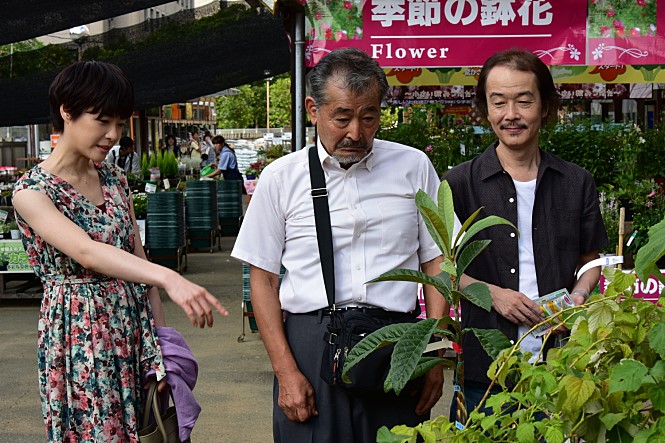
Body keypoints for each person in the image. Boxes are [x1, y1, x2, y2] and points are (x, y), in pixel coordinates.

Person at [231, 47, 446, 443]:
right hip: (311, 346)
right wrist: (286, 371)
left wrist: (433, 353)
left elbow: (436, 264)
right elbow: (262, 280)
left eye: (369, 117)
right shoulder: (281, 178)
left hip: (396, 344)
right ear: (313, 110)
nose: (356, 133)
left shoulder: (413, 167)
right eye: (342, 117)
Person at [12, 60, 228, 442]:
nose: (113, 135)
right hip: (79, 337)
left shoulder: (113, 179)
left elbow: (139, 264)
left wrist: (161, 345)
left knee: (148, 429)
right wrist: (170, 275)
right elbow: (88, 252)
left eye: (121, 123)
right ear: (67, 111)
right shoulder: (32, 192)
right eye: (102, 121)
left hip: (134, 331)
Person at [443, 48, 608, 420]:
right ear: (486, 109)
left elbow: (590, 259)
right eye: (498, 102)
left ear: (545, 107)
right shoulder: (460, 184)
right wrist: (492, 295)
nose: (511, 115)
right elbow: (441, 267)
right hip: (485, 367)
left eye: (524, 101)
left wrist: (580, 295)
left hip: (561, 361)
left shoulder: (576, 182)